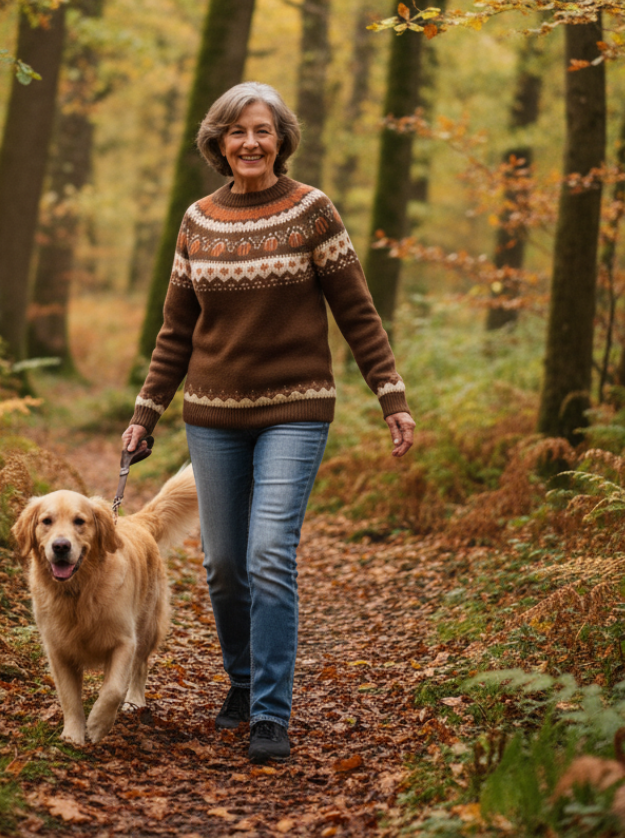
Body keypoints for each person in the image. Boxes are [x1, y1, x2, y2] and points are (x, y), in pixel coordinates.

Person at [123, 82, 415, 763]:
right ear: (218, 144)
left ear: (281, 138)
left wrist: (391, 396)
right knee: (224, 564)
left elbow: (357, 312)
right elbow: (176, 331)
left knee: (268, 555)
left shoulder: (313, 212)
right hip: (214, 415)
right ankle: (244, 682)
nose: (249, 142)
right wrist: (145, 415)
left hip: (296, 408)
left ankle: (269, 713)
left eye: (262, 130)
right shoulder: (198, 221)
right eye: (236, 132)